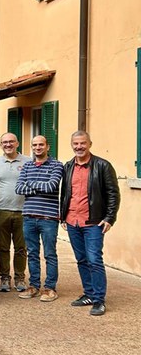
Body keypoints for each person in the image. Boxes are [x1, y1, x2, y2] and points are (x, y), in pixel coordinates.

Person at [60, 131, 120, 316]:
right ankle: (89, 294)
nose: (79, 147)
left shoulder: (102, 165)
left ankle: (99, 300)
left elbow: (113, 194)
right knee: (82, 259)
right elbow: (65, 193)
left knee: (94, 260)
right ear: (72, 145)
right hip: (72, 221)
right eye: (76, 144)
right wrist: (63, 216)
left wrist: (110, 218)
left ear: (90, 144)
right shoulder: (68, 166)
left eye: (83, 143)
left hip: (93, 222)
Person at [15, 135, 64, 302]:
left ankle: (50, 288)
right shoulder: (27, 165)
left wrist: (31, 183)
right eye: (35, 145)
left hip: (48, 217)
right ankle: (34, 286)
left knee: (50, 254)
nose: (38, 147)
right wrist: (38, 186)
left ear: (47, 146)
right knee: (32, 253)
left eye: (41, 144)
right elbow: (19, 188)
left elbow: (52, 186)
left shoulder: (57, 165)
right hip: (29, 216)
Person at [0, 132, 30, 293]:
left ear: (17, 143)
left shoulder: (28, 161)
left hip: (23, 211)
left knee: (21, 247)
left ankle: (20, 278)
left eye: (11, 141)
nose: (8, 144)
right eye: (4, 142)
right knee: (3, 247)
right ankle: (4, 278)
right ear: (0, 145)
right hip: (1, 210)